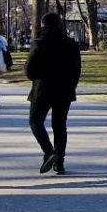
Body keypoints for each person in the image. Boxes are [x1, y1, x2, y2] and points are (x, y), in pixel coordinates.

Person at [24, 12, 82, 175]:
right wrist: (71, 86)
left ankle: (49, 151)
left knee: (35, 121)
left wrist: (37, 77)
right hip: (64, 90)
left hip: (42, 89)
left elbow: (29, 71)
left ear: (43, 25)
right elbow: (77, 69)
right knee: (59, 125)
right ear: (59, 25)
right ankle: (59, 162)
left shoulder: (38, 44)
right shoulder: (71, 44)